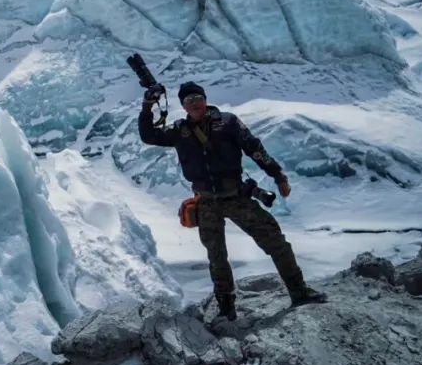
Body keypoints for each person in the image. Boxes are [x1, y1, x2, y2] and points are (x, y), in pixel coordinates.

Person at [138, 81, 327, 320]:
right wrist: (147, 105)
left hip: (236, 196)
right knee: (216, 257)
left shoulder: (227, 122)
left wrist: (278, 175)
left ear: (205, 99)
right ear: (183, 106)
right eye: (188, 101)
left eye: (197, 98)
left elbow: (254, 148)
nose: (194, 103)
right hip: (206, 202)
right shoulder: (179, 130)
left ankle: (299, 292)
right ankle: (227, 308)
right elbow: (149, 136)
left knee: (276, 243)